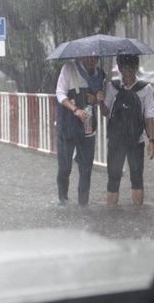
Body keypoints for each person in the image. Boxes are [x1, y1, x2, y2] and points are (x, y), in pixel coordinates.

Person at [100, 54, 154, 207]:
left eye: (131, 69)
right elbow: (105, 112)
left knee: (137, 178)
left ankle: (137, 213)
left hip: (136, 141)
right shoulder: (112, 87)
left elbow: (149, 116)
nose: (128, 73)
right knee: (113, 178)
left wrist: (152, 141)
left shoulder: (146, 88)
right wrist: (100, 101)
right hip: (116, 141)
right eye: (125, 69)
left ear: (136, 68)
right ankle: (112, 213)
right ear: (119, 69)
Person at [55, 56, 105, 206]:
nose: (91, 60)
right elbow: (60, 93)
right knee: (65, 167)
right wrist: (75, 109)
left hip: (88, 126)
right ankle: (63, 199)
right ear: (82, 55)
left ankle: (83, 205)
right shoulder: (69, 68)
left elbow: (102, 102)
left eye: (95, 57)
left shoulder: (100, 75)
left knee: (86, 168)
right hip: (67, 125)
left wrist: (96, 99)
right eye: (88, 57)